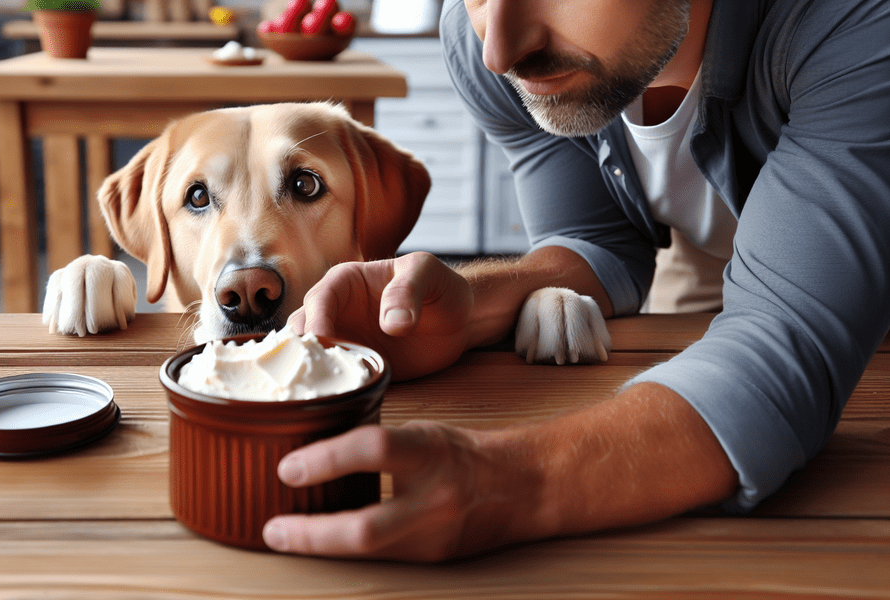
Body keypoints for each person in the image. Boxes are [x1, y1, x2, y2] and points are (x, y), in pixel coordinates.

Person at [260, 0, 890, 561]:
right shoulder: (485, 37)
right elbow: (598, 238)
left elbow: (787, 342)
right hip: (713, 252)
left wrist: (512, 482)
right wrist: (475, 302)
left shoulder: (855, 25)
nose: (498, 51)